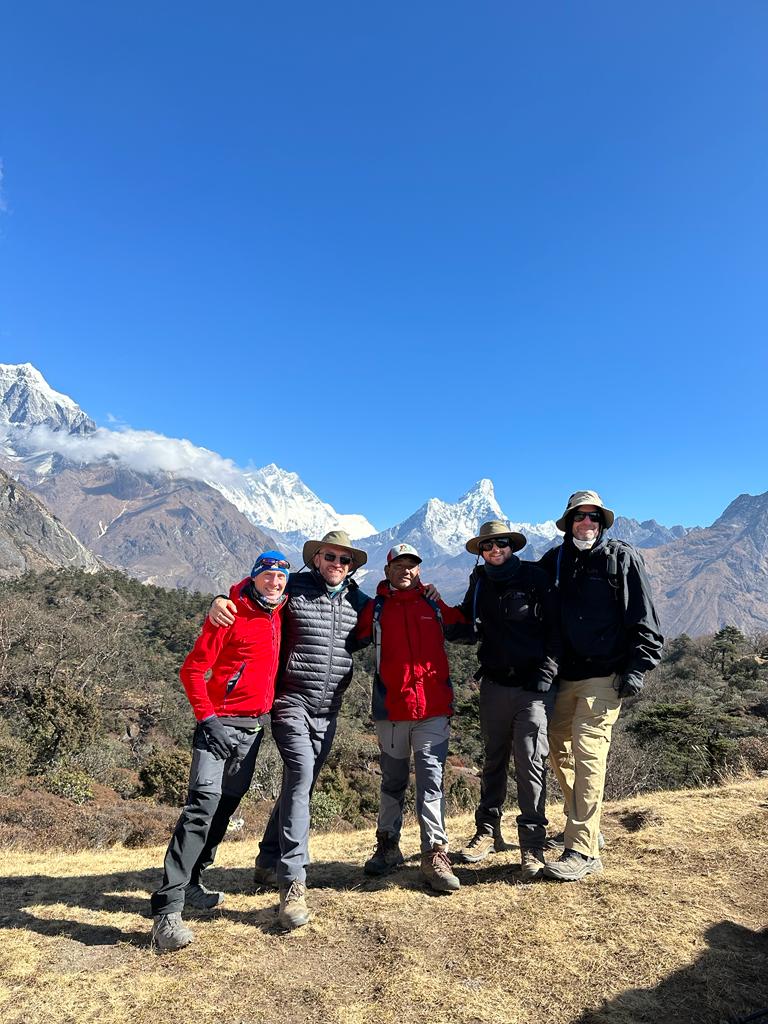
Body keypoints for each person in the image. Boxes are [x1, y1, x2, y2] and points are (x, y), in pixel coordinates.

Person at [208, 530, 370, 930]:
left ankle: (266, 859)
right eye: (330, 556)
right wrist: (221, 599)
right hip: (290, 702)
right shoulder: (294, 586)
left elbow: (390, 613)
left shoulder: (359, 602)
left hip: (328, 710)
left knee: (303, 785)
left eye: (344, 560)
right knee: (299, 777)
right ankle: (293, 885)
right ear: (316, 558)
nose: (336, 564)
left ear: (351, 567)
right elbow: (255, 587)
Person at [150, 550, 290, 951]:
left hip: (250, 731)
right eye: (268, 576)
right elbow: (191, 670)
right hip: (217, 726)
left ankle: (194, 881)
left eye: (281, 577)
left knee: (224, 809)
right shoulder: (230, 614)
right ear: (254, 577)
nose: (275, 582)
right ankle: (166, 911)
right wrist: (207, 719)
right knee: (200, 808)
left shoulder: (279, 614)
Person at [538, 490, 663, 882]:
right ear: (569, 522)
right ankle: (587, 826)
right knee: (558, 750)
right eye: (580, 517)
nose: (587, 523)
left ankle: (582, 849)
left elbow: (645, 616)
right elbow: (521, 585)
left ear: (603, 522)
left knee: (589, 752)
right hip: (565, 677)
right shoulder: (555, 561)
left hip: (605, 676)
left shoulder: (620, 559)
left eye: (594, 517)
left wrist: (637, 668)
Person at [355, 543, 467, 893]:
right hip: (392, 710)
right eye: (399, 565)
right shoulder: (374, 609)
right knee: (393, 781)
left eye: (412, 565)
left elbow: (464, 628)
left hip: (433, 709)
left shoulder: (432, 604)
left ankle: (435, 853)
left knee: (431, 781)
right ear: (387, 571)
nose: (406, 570)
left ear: (419, 570)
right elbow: (347, 638)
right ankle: (388, 846)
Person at [455, 520, 560, 882]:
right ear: (480, 551)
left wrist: (546, 673)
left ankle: (532, 844)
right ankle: (487, 832)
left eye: (500, 543)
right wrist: (434, 608)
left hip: (532, 689)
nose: (494, 550)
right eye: (487, 546)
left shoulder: (535, 577)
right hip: (494, 686)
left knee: (530, 762)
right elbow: (468, 627)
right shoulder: (480, 581)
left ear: (511, 545)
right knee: (493, 759)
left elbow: (556, 629)